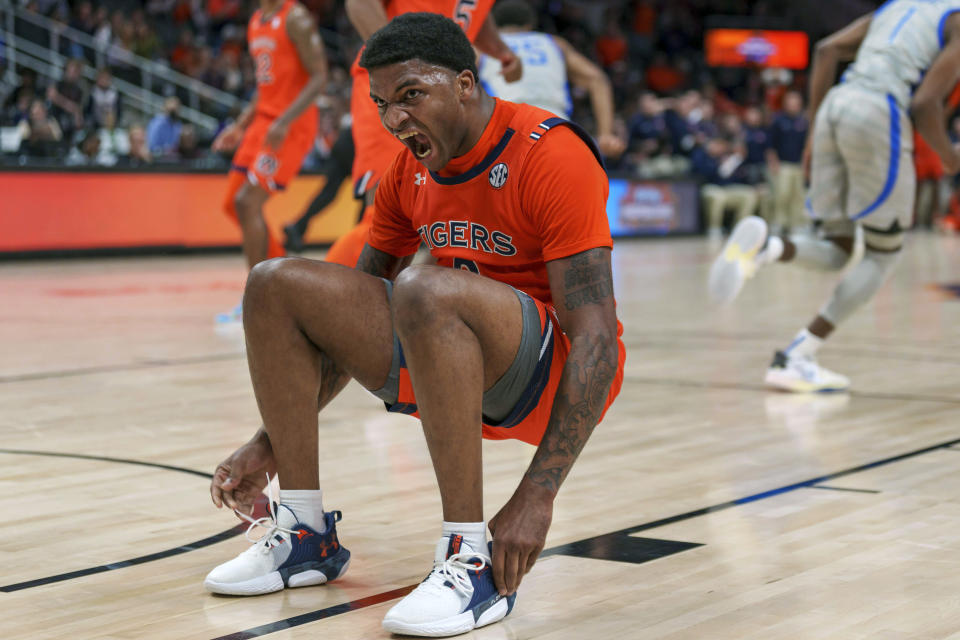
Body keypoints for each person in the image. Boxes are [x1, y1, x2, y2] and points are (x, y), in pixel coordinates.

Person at [203, 13, 625, 638]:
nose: (395, 120)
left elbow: (595, 338)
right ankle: (303, 530)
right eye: (382, 104)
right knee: (275, 282)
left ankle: (469, 559)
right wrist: (269, 441)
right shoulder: (408, 173)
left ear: (463, 83)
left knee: (423, 286)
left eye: (410, 96)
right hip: (447, 355)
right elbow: (350, 318)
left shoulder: (550, 154)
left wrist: (539, 494)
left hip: (544, 376)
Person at [709, 1, 960, 392]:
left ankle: (767, 248)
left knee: (837, 248)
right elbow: (926, 103)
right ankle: (798, 355)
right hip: (880, 111)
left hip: (835, 107)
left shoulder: (896, 8)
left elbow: (827, 50)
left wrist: (813, 133)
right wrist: (950, 157)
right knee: (882, 253)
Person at [323, 0, 522, 268]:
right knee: (384, 213)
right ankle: (320, 301)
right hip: (397, 91)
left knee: (458, 209)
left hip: (444, 92)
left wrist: (501, 51)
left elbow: (475, 12)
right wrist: (401, 65)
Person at [210, 0, 328, 321]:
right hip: (263, 121)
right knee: (232, 204)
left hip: (292, 123)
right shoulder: (256, 21)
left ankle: (258, 299)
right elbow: (265, 88)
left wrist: (285, 121)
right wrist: (240, 125)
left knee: (247, 202)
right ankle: (285, 279)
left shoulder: (296, 18)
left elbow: (320, 77)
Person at [477, 0, 625, 159]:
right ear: (529, 25)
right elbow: (597, 79)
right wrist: (605, 134)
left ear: (494, 26)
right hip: (555, 125)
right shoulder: (555, 43)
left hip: (509, 127)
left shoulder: (482, 47)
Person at [766, 90, 809, 233]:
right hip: (783, 164)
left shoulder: (804, 121)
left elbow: (806, 146)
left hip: (798, 165)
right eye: (790, 100)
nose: (793, 104)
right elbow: (770, 145)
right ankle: (779, 223)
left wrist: (805, 165)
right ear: (785, 103)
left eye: (796, 100)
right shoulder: (778, 120)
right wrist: (774, 163)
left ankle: (797, 225)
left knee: (798, 196)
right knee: (781, 195)